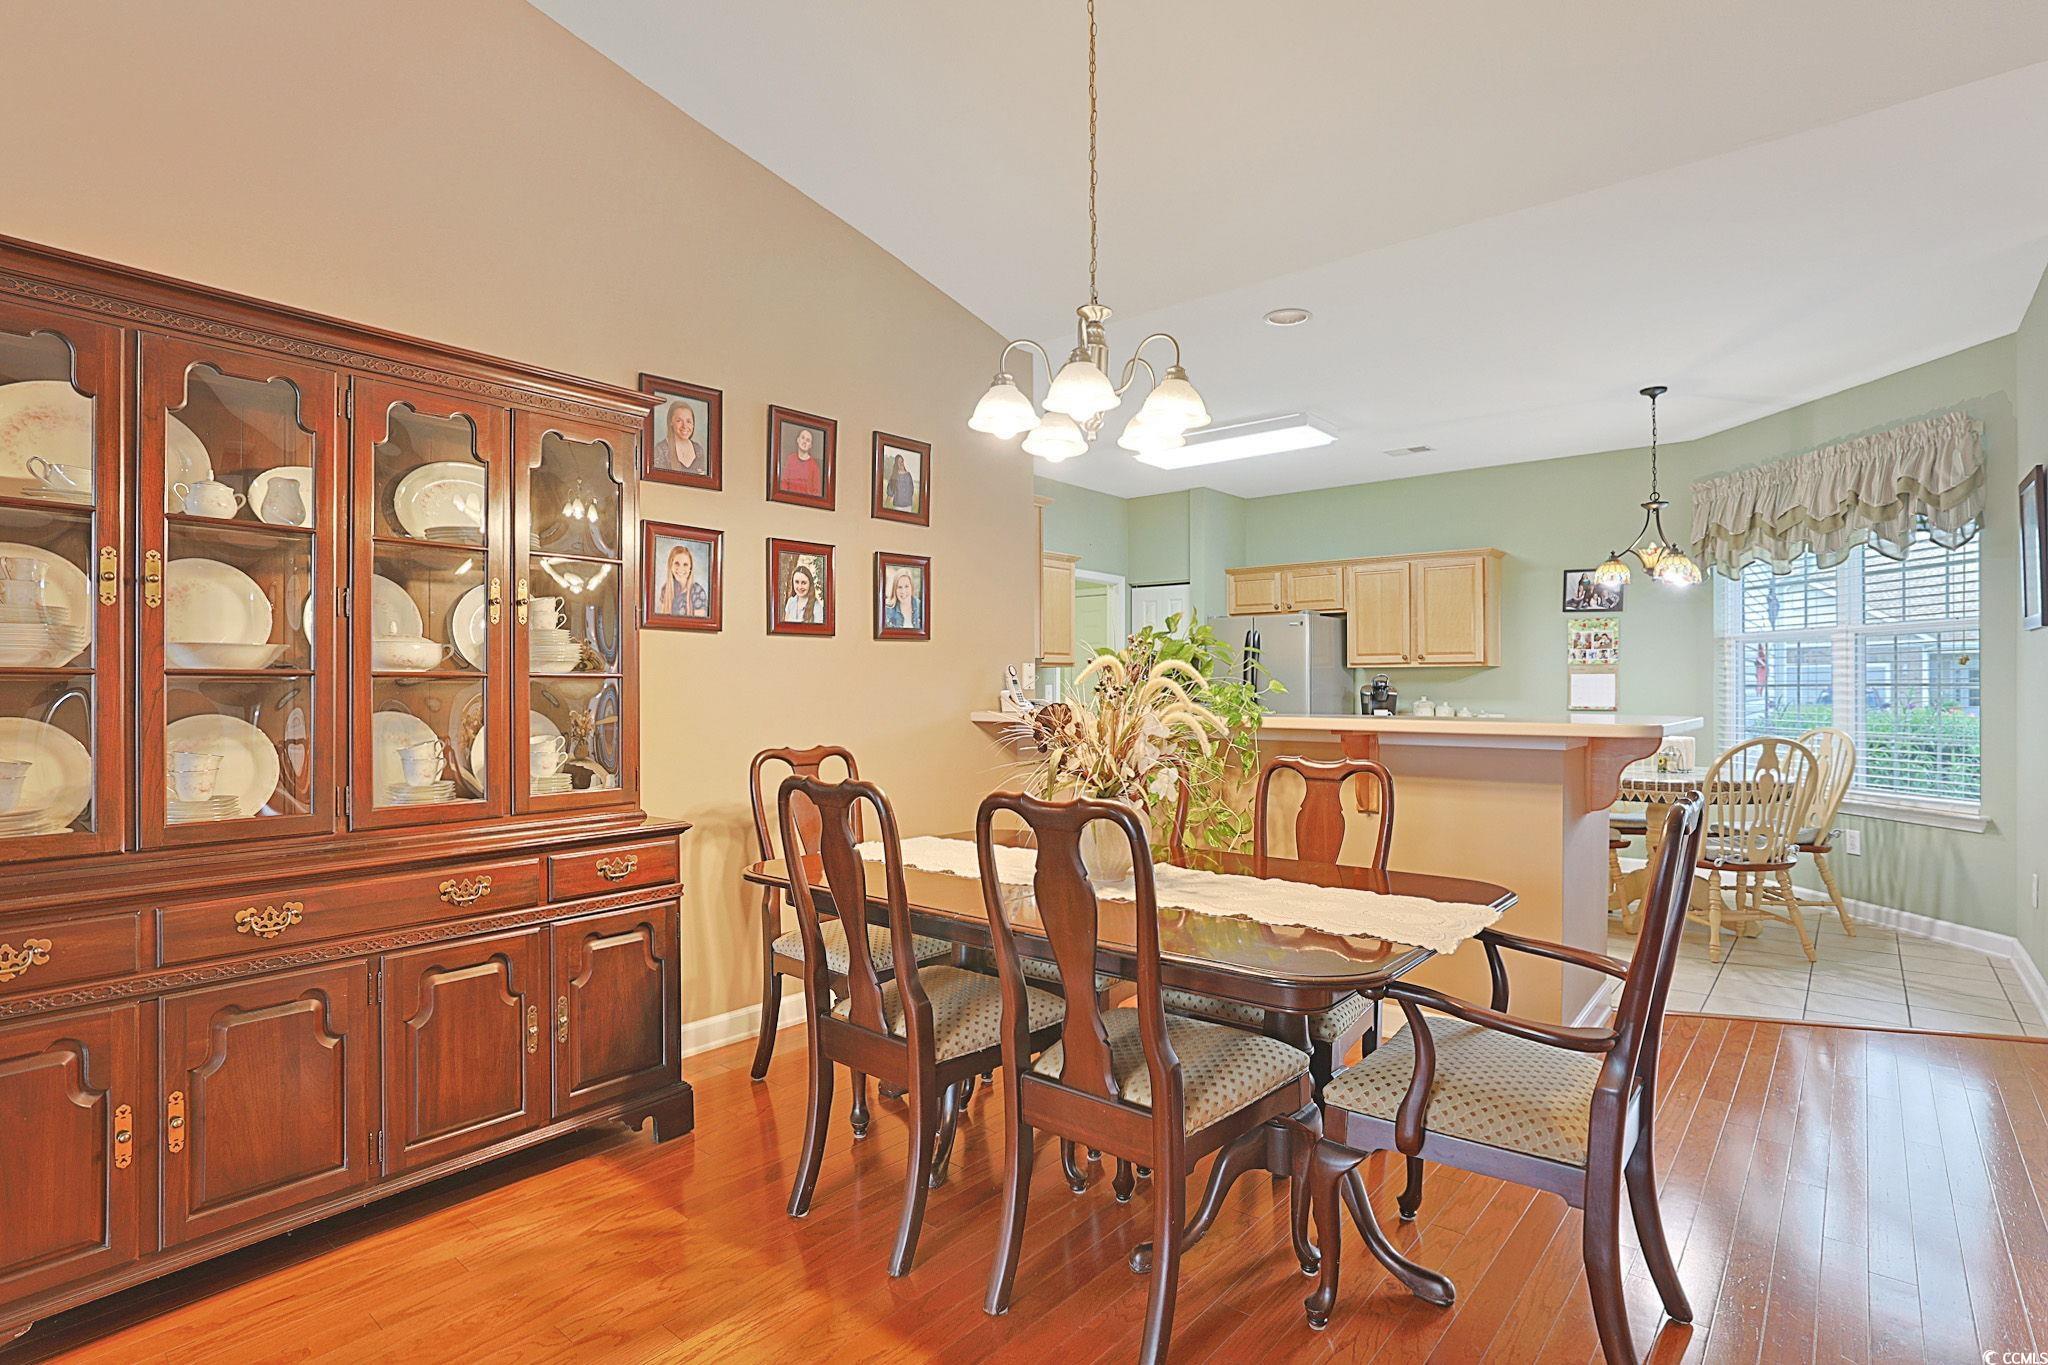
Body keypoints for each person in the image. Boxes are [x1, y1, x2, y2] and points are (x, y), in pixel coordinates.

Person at [654, 543, 707, 617]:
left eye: (685, 564)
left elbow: (700, 623)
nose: (680, 568)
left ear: (690, 568)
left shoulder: (698, 591)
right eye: (677, 563)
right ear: (670, 566)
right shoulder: (665, 589)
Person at [656, 401, 705, 476]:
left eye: (688, 421)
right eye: (679, 421)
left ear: (693, 424)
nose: (684, 426)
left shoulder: (698, 450)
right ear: (671, 422)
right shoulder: (661, 449)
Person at [779, 428, 823, 498]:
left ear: (810, 445)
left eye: (808, 440)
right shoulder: (790, 459)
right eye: (803, 438)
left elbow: (816, 492)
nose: (804, 442)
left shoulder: (814, 466)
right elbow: (784, 482)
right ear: (798, 440)